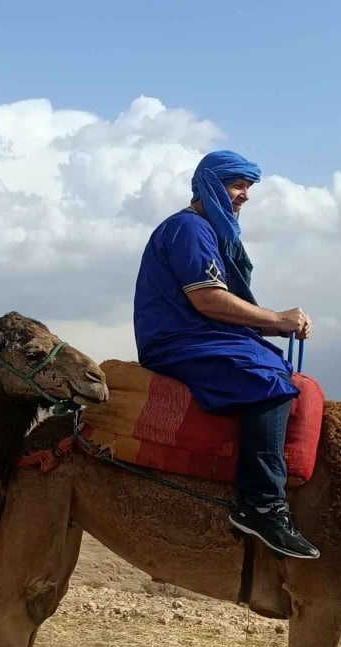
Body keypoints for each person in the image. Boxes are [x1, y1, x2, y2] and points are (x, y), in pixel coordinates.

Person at [132, 150, 319, 559]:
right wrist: (276, 317)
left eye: (248, 187)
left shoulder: (209, 233)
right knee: (267, 382)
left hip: (203, 335)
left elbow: (220, 306)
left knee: (275, 364)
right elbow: (209, 300)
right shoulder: (189, 229)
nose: (245, 196)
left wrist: (274, 325)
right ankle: (263, 506)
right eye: (238, 185)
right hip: (178, 340)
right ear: (210, 186)